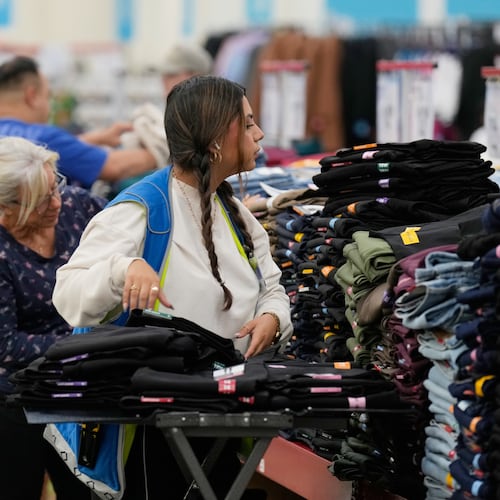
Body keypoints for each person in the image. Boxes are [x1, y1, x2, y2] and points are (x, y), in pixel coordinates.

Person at [52, 75, 292, 499]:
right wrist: (123, 269)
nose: (260, 134)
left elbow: (271, 287)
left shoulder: (235, 213)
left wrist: (273, 317)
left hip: (218, 414)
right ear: (219, 136)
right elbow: (68, 293)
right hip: (150, 428)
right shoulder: (141, 209)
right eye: (249, 122)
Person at [0, 136, 107, 499]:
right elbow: (8, 346)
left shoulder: (81, 209)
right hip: (15, 400)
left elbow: (136, 230)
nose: (56, 202)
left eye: (55, 186)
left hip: (81, 392)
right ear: (4, 209)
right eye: (41, 200)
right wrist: (87, 342)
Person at [0, 55, 162, 190]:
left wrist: (97, 138)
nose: (49, 107)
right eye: (47, 96)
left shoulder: (18, 140)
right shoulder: (44, 137)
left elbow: (61, 151)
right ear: (31, 96)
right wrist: (164, 145)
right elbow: (115, 166)